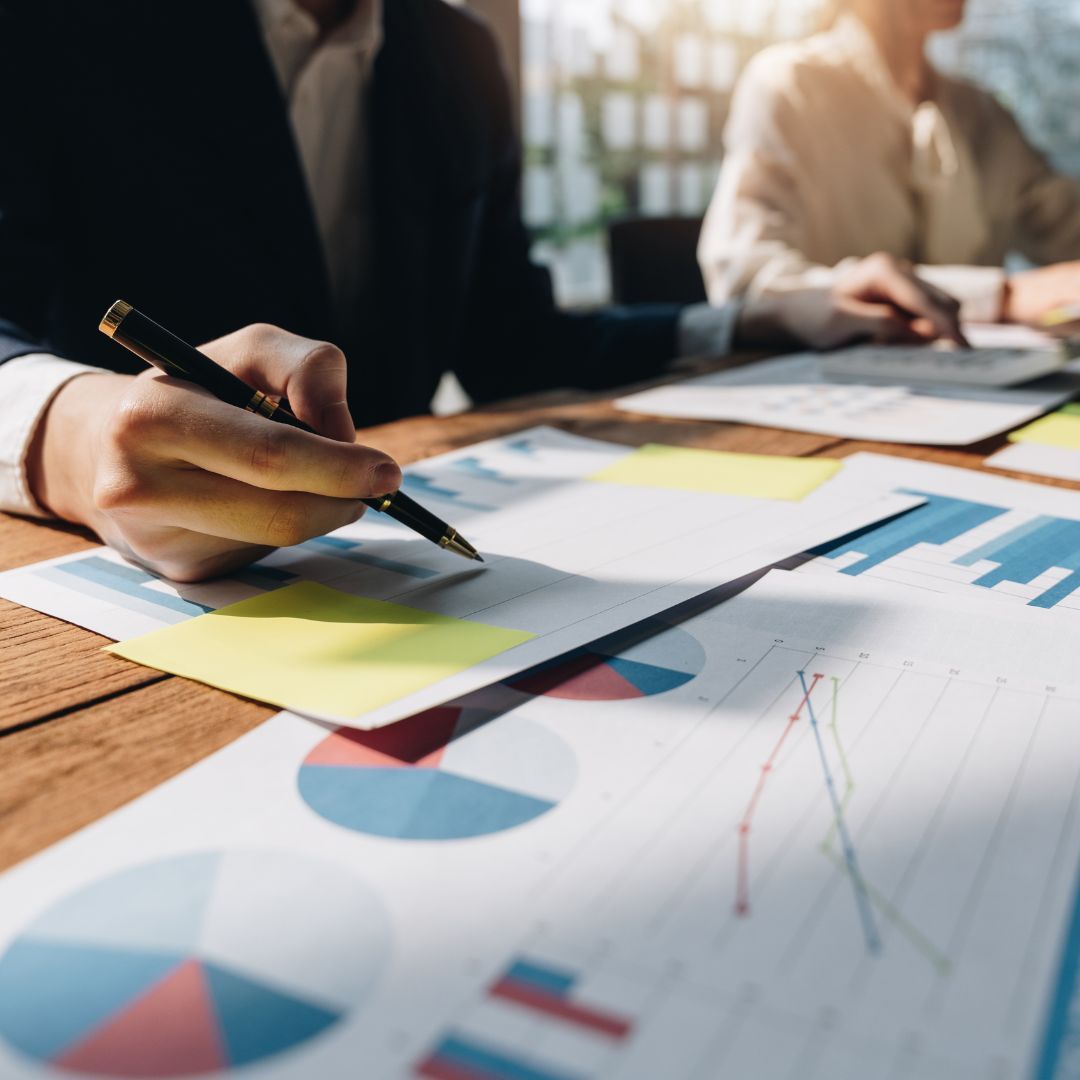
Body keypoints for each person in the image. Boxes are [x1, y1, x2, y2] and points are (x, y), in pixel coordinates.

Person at [0, 0, 963, 583]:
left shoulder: (455, 50)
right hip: (87, 577)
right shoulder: (46, 27)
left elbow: (515, 344)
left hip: (368, 560)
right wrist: (74, 436)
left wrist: (760, 317)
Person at [699, 0, 1080, 328]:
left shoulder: (983, 114)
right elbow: (743, 282)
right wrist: (1000, 296)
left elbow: (1064, 224)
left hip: (985, 371)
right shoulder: (790, 84)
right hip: (829, 379)